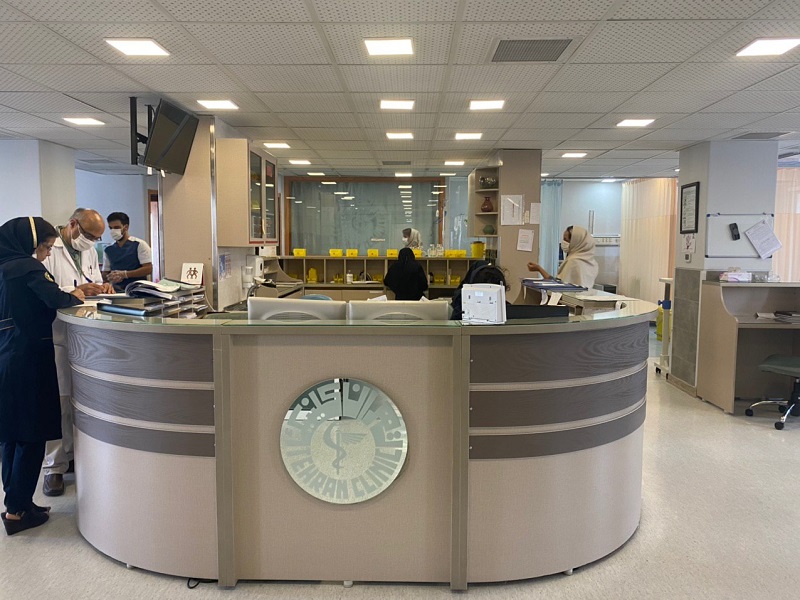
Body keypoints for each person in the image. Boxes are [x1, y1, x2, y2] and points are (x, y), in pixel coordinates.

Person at [0, 217, 84, 535]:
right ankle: (19, 512)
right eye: (46, 247)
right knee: (31, 436)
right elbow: (57, 299)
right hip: (27, 359)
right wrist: (76, 295)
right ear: (30, 243)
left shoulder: (4, 266)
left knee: (11, 436)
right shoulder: (27, 268)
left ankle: (15, 503)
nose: (47, 254)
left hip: (6, 356)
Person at [40, 208, 114, 497]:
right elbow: (44, 291)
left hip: (85, 335)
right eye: (89, 236)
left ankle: (74, 457)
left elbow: (91, 281)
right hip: (57, 334)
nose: (92, 242)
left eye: (96, 238)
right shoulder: (49, 249)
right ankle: (54, 467)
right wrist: (77, 290)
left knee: (80, 401)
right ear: (72, 224)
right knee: (58, 402)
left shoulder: (89, 250)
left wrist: (103, 287)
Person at [526, 225, 599, 289]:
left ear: (575, 242)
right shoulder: (592, 263)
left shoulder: (574, 262)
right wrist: (539, 269)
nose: (563, 243)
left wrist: (539, 269)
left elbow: (558, 285)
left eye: (566, 240)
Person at [102, 212, 153, 292]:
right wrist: (110, 277)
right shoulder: (108, 249)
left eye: (116, 227)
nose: (113, 231)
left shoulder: (139, 244)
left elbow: (148, 269)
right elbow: (105, 273)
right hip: (115, 291)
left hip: (138, 290)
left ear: (125, 227)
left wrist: (125, 274)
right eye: (111, 228)